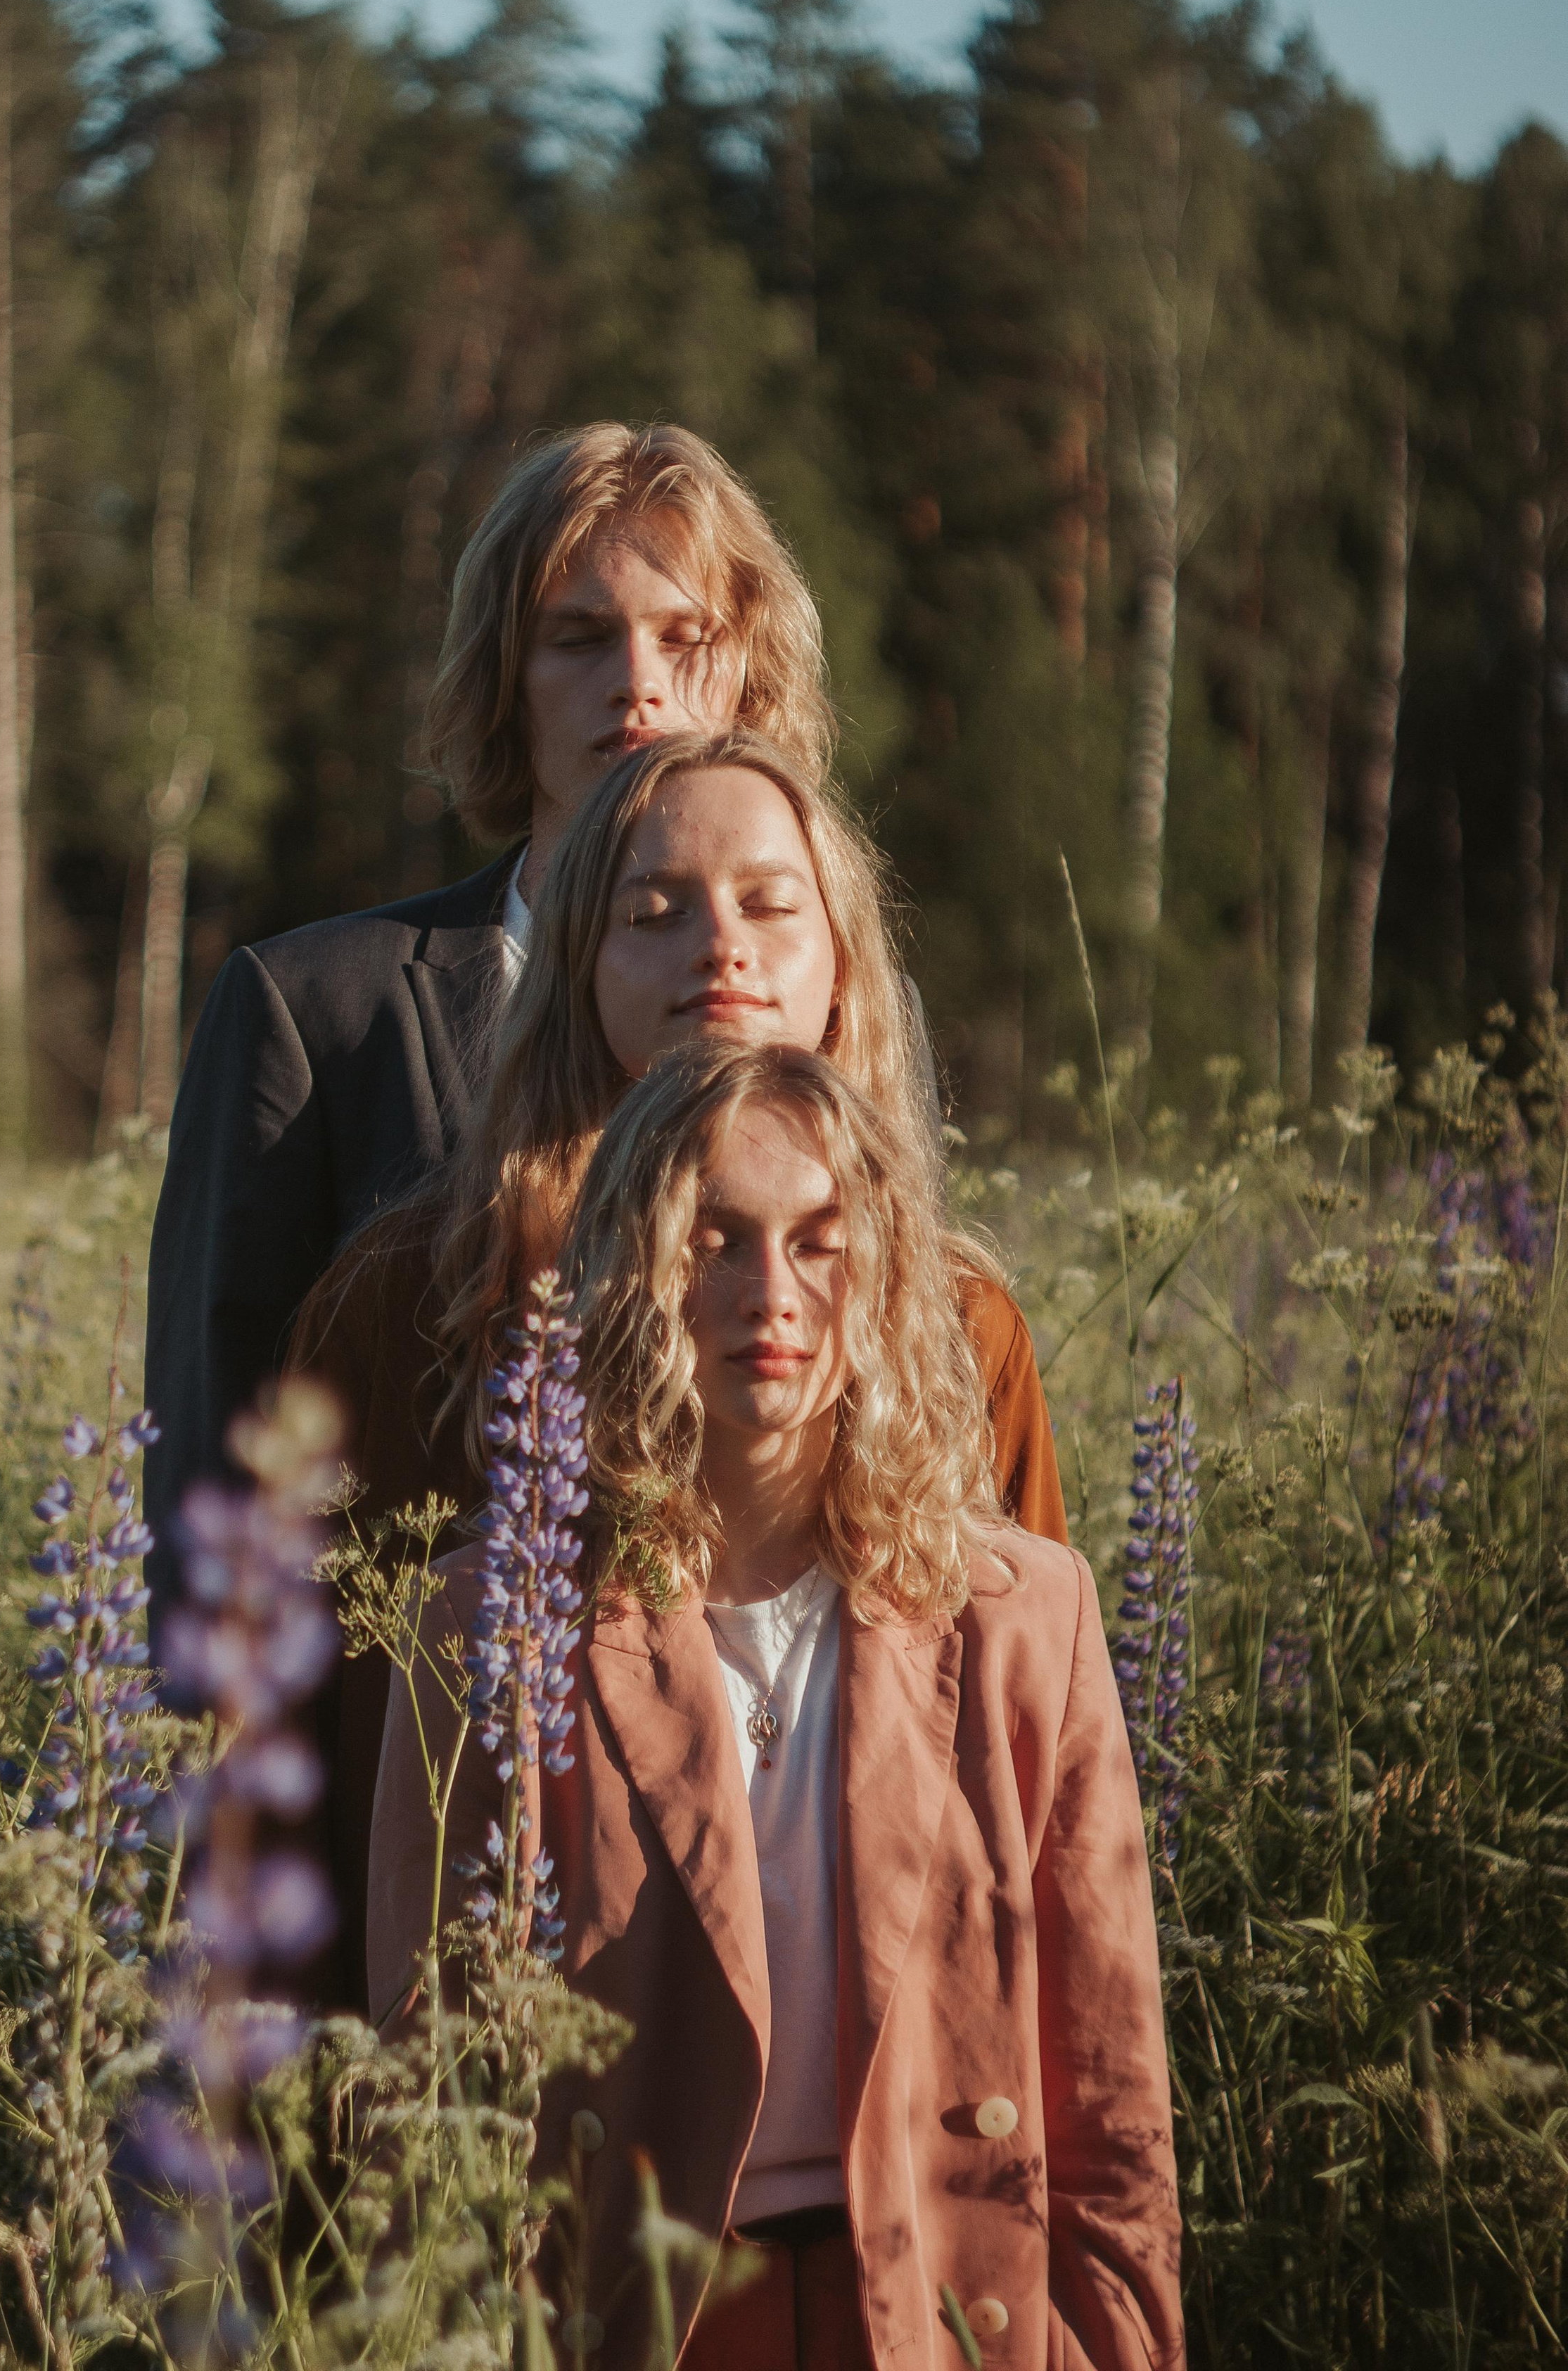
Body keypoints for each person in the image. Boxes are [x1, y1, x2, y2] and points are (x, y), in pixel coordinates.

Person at [367, 1044, 1184, 2371]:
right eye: (716, 1241)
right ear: (637, 1272)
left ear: (884, 1275)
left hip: (946, 2311)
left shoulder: (1026, 1616)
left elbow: (1112, 2110)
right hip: (645, 2321)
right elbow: (428, 2102)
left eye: (820, 1242)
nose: (773, 1295)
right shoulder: (492, 1623)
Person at [290, 728, 1067, 2005]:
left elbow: (1029, 1772)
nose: (724, 946)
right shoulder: (417, 1305)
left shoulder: (957, 1323)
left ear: (841, 966)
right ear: (577, 967)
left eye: (772, 904)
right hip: (513, 2106)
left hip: (890, 2098)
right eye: (654, 913)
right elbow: (299, 1748)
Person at [144, 423, 834, 1621]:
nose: (638, 682)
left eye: (686, 637)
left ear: (748, 673)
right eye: (579, 638)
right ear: (504, 678)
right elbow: (217, 1466)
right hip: (421, 1738)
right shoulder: (314, 1014)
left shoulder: (834, 1000)